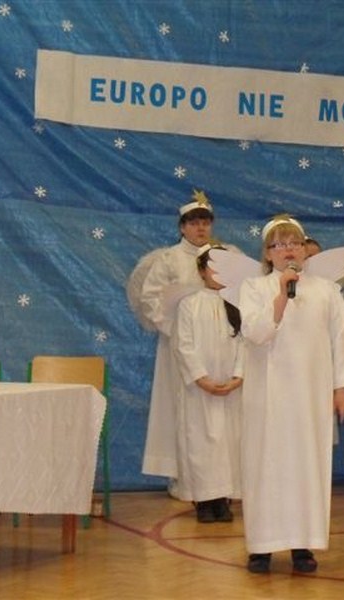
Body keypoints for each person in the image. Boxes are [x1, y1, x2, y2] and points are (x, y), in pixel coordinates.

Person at [237, 214, 344, 573]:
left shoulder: (327, 290)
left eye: (295, 243)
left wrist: (341, 391)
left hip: (310, 397)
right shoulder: (254, 288)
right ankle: (261, 546)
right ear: (268, 253)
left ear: (305, 249)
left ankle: (302, 544)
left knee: (307, 466)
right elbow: (256, 333)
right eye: (280, 244)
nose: (288, 250)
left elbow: (341, 342)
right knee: (265, 466)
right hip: (268, 398)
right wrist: (281, 296)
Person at [139, 190, 218, 496]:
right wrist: (177, 331)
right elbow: (151, 299)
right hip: (178, 348)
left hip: (217, 346)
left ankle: (218, 479)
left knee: (216, 411)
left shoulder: (221, 256)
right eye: (194, 223)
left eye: (205, 223)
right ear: (183, 227)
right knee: (181, 409)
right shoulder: (170, 259)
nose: (201, 228)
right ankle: (183, 478)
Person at [172, 244, 243, 523]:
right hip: (199, 390)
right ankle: (203, 499)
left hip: (231, 389)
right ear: (202, 271)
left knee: (228, 444)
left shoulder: (237, 304)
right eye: (212, 266)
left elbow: (245, 344)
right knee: (201, 443)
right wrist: (202, 379)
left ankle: (223, 499)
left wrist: (238, 376)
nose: (217, 273)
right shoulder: (189, 305)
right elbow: (184, 345)